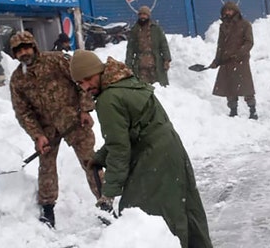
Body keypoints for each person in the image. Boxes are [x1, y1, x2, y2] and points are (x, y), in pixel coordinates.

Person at [69, 50, 213, 248]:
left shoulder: (108, 99)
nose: (86, 87)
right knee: (185, 208)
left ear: (99, 71)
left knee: (142, 217)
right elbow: (127, 131)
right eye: (80, 83)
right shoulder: (125, 81)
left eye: (88, 79)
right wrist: (100, 157)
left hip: (153, 157)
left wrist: (108, 193)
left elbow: (120, 148)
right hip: (172, 150)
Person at [8, 31, 100, 228]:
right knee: (46, 167)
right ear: (14, 54)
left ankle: (106, 203)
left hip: (74, 120)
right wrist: (37, 135)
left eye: (26, 47)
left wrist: (85, 109)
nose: (24, 52)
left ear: (34, 46)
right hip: (47, 129)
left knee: (90, 162)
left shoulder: (56, 60)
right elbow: (23, 112)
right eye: (19, 50)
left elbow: (81, 81)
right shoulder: (17, 80)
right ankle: (47, 210)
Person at [208, 1, 258, 119]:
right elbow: (220, 45)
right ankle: (233, 110)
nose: (228, 13)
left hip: (241, 61)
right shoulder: (223, 26)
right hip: (226, 61)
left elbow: (249, 42)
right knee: (229, 87)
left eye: (230, 10)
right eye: (226, 10)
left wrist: (239, 54)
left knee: (246, 87)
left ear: (236, 11)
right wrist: (217, 60)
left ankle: (252, 110)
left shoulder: (245, 25)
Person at [125, 6, 171, 87]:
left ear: (148, 16)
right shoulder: (134, 30)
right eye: (141, 14)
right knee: (142, 87)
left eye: (145, 14)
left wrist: (166, 60)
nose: (142, 16)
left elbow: (163, 44)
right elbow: (130, 49)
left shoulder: (156, 29)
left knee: (159, 88)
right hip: (140, 65)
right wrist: (128, 65)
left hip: (155, 63)